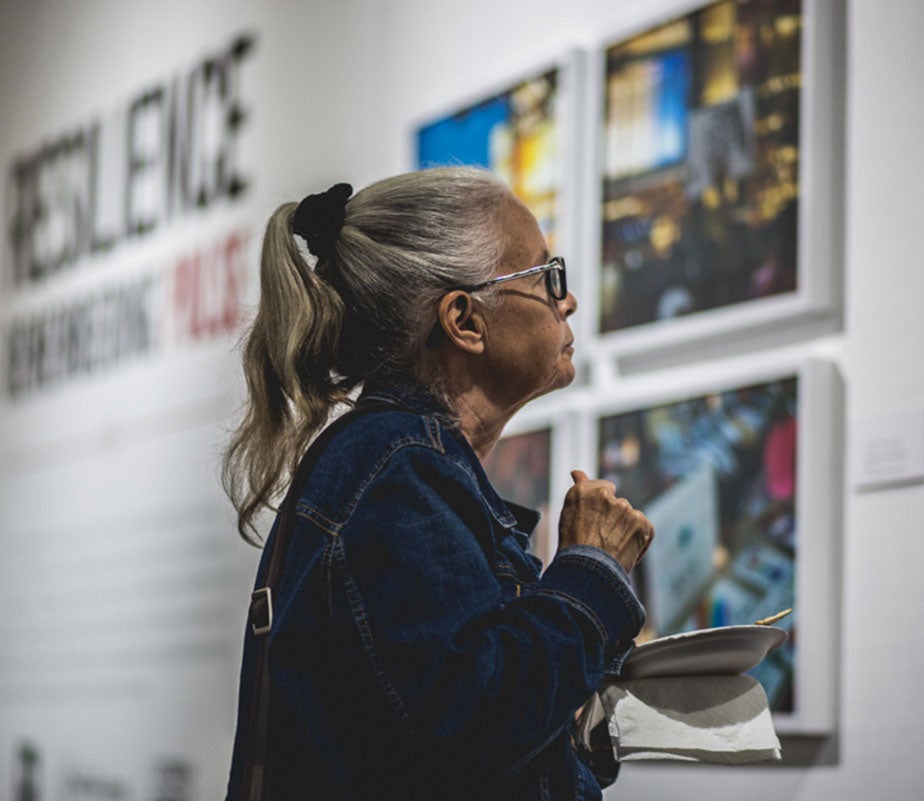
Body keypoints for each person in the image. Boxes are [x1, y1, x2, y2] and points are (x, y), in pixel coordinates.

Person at [222, 167, 654, 801]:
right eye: (544, 275)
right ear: (465, 320)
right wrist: (593, 569)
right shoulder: (397, 470)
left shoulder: (401, 464)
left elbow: (452, 732)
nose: (567, 300)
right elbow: (479, 722)